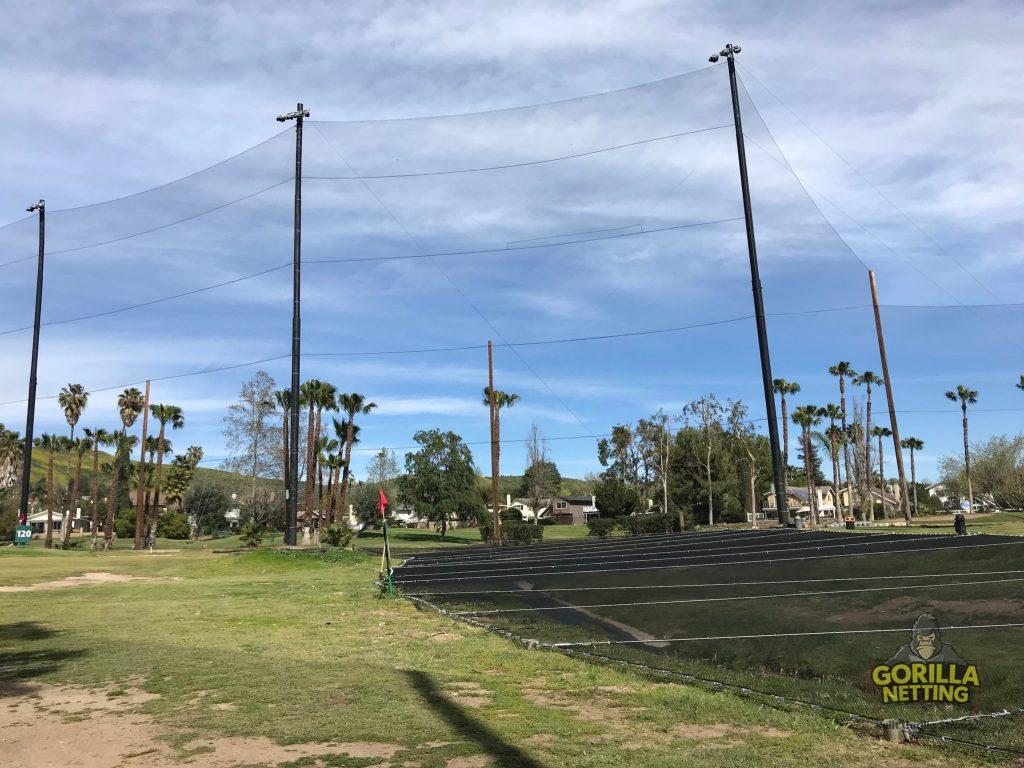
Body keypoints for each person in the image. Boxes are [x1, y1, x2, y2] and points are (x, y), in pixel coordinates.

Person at [886, 613, 967, 665]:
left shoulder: (946, 651)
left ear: (937, 637)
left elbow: (964, 668)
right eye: (921, 638)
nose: (926, 641)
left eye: (930, 638)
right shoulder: (906, 651)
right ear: (914, 638)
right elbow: (886, 668)